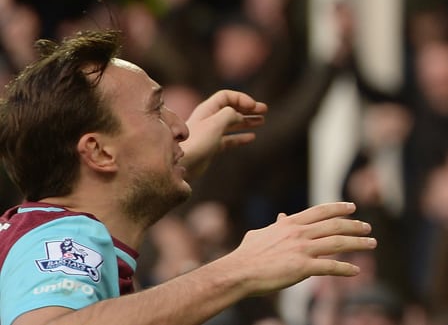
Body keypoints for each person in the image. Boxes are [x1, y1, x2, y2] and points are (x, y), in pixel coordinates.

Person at [0, 29, 377, 325]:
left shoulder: (42, 230)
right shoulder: (62, 238)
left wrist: (176, 160)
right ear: (98, 152)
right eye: (157, 110)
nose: (180, 127)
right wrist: (238, 270)